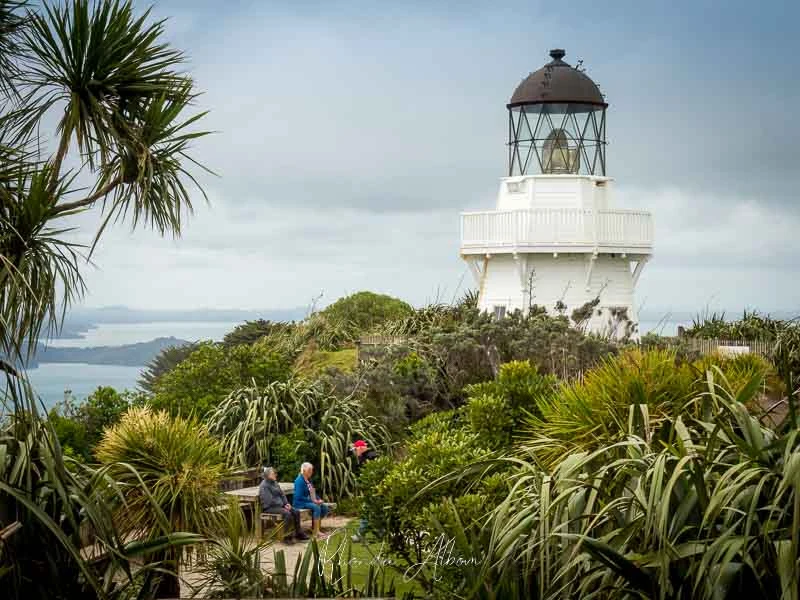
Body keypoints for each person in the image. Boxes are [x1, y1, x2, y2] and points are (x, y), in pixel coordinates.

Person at [259, 467, 308, 542]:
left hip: (280, 506)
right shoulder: (264, 486)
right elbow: (269, 501)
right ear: (268, 475)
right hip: (269, 508)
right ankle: (287, 537)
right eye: (273, 473)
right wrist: (282, 505)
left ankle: (299, 533)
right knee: (287, 514)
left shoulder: (275, 482)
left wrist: (286, 503)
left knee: (296, 511)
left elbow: (282, 494)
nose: (276, 475)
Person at [293, 462, 333, 539]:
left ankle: (315, 526)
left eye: (311, 470)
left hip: (308, 501)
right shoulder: (299, 481)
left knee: (324, 507)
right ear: (304, 471)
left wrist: (318, 499)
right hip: (300, 503)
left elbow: (312, 492)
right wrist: (313, 501)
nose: (311, 472)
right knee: (316, 507)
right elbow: (299, 496)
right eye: (309, 470)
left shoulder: (308, 480)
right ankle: (316, 531)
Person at [350, 439, 377, 542]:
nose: (355, 452)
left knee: (367, 511)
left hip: (373, 490)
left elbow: (369, 475)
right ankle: (381, 534)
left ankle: (360, 535)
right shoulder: (367, 456)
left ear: (360, 448)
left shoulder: (369, 457)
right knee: (374, 512)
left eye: (355, 450)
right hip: (371, 490)